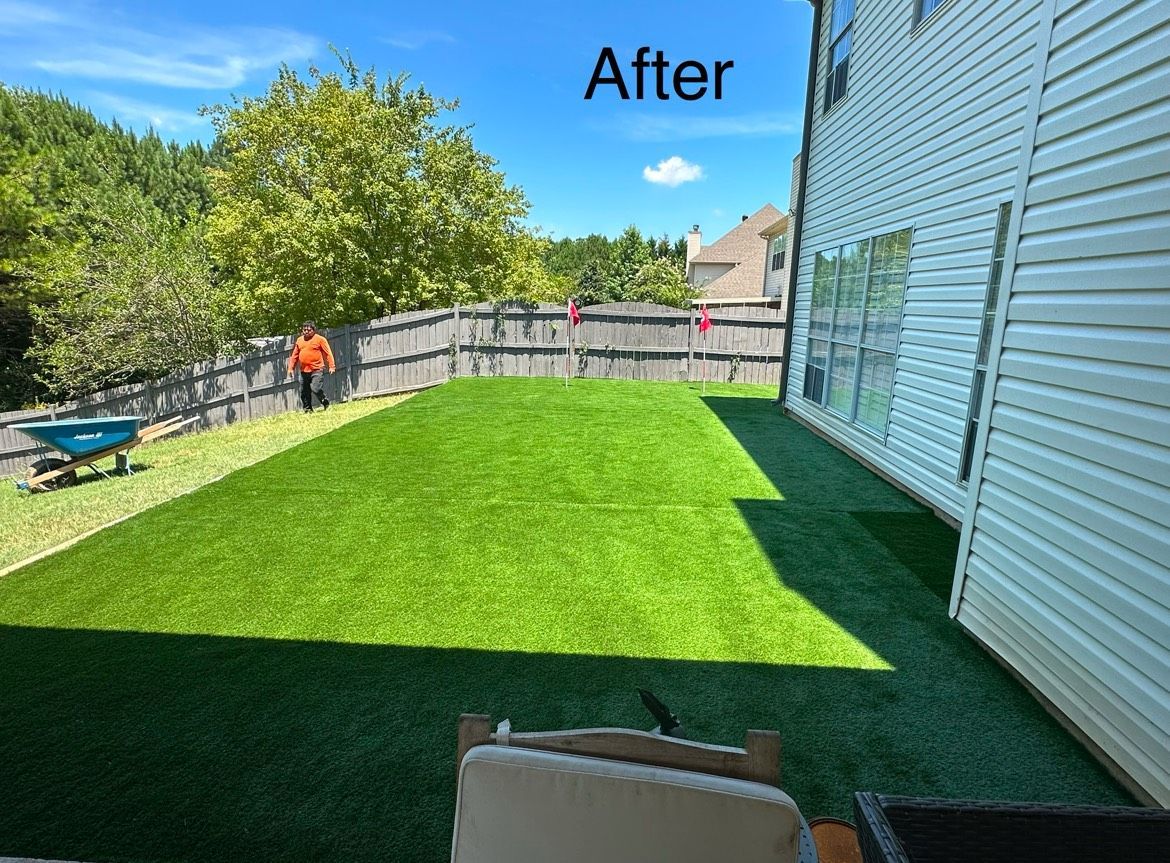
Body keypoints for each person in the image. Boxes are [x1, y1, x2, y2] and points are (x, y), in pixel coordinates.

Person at [287, 321, 336, 413]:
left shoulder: (320, 339)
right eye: (304, 330)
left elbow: (328, 353)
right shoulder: (300, 340)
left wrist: (332, 366)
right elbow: (294, 355)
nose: (306, 332)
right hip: (304, 371)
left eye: (308, 330)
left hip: (317, 369)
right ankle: (308, 410)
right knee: (304, 392)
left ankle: (325, 402)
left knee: (315, 388)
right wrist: (290, 368)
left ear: (313, 330)